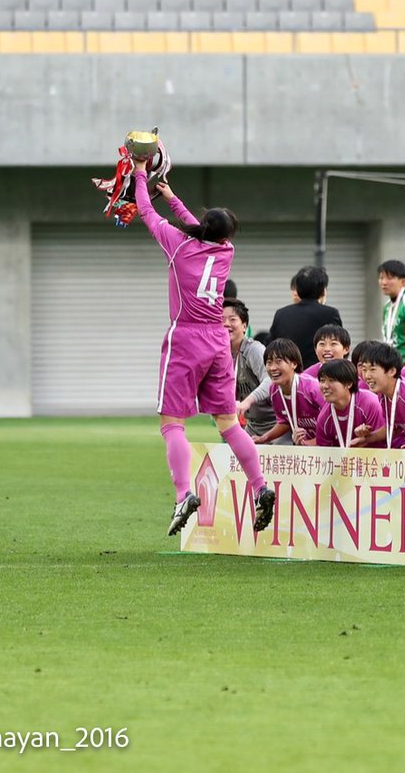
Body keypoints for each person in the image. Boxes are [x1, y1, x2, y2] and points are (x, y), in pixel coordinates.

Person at [131, 159, 274, 536]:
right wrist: (172, 197)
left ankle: (183, 494)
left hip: (187, 338)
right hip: (217, 340)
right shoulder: (227, 251)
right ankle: (260, 486)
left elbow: (145, 211)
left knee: (172, 423)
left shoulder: (179, 247)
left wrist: (140, 172)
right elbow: (200, 228)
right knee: (228, 423)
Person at [358, 341, 405, 449]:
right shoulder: (383, 396)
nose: (366, 376)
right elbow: (394, 428)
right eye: (364, 370)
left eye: (372, 369)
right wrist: (366, 439)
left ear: (392, 371)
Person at [253, 339, 324, 446]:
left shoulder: (312, 387)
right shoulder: (274, 390)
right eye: (269, 363)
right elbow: (284, 421)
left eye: (278, 361)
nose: (273, 368)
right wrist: (263, 438)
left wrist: (309, 444)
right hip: (307, 447)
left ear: (294, 364)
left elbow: (333, 420)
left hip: (332, 446)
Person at [269, 266, 342, 368]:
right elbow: (339, 346)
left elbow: (271, 345)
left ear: (298, 289)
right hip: (321, 373)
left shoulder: (281, 314)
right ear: (323, 291)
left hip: (291, 373)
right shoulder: (330, 314)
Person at [224, 298, 275, 438]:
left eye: (232, 319)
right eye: (221, 320)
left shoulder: (254, 349)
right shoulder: (221, 355)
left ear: (244, 326)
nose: (226, 324)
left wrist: (247, 402)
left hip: (276, 425)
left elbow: (270, 380)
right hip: (252, 426)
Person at [314, 359, 385, 448]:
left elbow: (383, 442)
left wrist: (366, 438)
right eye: (322, 380)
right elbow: (324, 453)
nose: (325, 386)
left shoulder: (369, 403)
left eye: (331, 380)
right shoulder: (324, 418)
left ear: (349, 383)